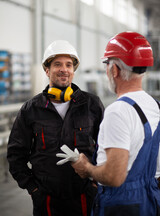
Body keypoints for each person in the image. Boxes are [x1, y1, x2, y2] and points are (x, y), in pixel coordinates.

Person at [7, 40, 104, 216]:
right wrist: (33, 189)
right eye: (57, 64)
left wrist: (96, 181)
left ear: (74, 71)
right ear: (47, 70)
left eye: (69, 65)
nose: (63, 69)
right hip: (47, 200)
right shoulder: (31, 109)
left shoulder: (92, 105)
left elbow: (106, 146)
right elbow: (16, 155)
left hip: (85, 195)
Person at [72, 32, 160, 216]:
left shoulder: (118, 112)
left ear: (114, 70)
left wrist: (87, 168)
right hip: (150, 199)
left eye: (107, 65)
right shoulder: (155, 106)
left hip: (122, 205)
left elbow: (114, 176)